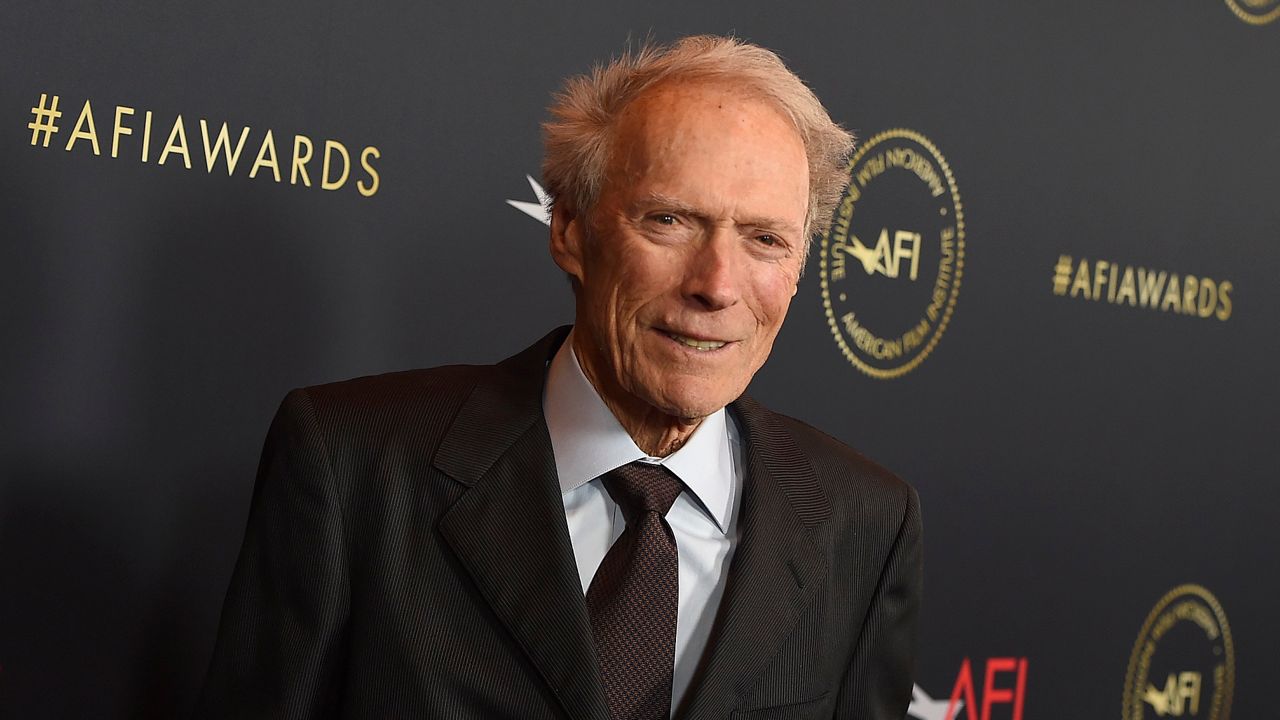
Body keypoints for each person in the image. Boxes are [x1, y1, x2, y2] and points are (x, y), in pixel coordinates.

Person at [196, 35, 921, 720]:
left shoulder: (863, 521)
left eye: (765, 239)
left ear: (798, 269)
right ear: (569, 230)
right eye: (669, 220)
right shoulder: (353, 463)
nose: (717, 285)